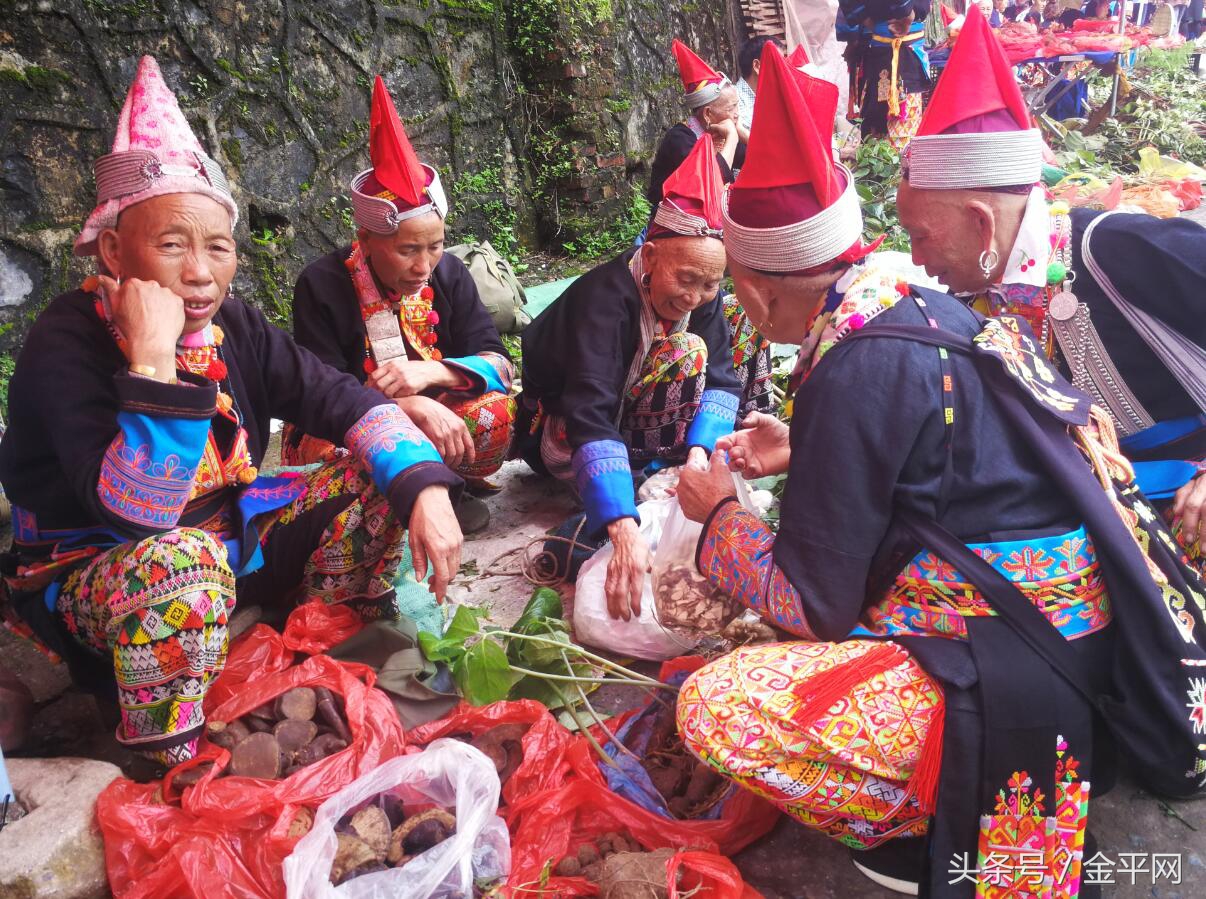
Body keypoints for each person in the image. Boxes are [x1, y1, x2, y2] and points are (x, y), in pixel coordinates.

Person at [669, 42, 1142, 897]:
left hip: (1007, 672)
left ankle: (922, 825)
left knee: (716, 705)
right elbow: (925, 460)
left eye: (733, 287)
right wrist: (803, 446)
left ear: (767, 291)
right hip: (1063, 643)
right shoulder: (905, 307)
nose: (920, 253)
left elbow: (815, 605)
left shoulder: (855, 366)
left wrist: (716, 520)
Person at [0, 58, 463, 767]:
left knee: (378, 472)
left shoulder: (235, 326)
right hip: (103, 572)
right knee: (181, 566)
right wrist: (153, 360)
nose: (200, 271)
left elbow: (342, 398)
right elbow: (137, 515)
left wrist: (425, 488)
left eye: (217, 247)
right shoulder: (66, 340)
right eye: (172, 244)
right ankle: (170, 756)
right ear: (114, 251)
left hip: (228, 542)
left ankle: (332, 652)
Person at [896, 6, 1206, 565]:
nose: (915, 258)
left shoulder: (1120, 250)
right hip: (1103, 525)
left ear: (982, 221)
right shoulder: (973, 301)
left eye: (920, 236)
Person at [518, 137, 745, 617]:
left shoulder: (699, 295)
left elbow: (723, 380)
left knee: (704, 343)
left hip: (629, 422)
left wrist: (699, 457)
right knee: (682, 354)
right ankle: (626, 485)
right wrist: (623, 527)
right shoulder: (603, 301)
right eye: (685, 279)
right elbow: (589, 412)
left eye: (711, 283)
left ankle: (649, 471)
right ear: (652, 252)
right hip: (559, 431)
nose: (696, 296)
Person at [286, 77, 515, 534]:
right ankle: (387, 509)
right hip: (347, 419)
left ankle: (452, 487)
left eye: (435, 245)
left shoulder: (448, 273)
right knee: (328, 454)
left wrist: (435, 373)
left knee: (496, 412)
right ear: (367, 240)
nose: (424, 264)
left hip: (432, 402)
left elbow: (499, 363)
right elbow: (320, 390)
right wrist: (403, 407)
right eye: (409, 249)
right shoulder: (322, 284)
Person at [647, 40, 740, 208]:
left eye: (737, 106)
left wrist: (738, 132)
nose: (737, 113)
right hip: (677, 225)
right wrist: (733, 138)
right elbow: (711, 181)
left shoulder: (719, 132)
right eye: (731, 108)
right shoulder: (680, 139)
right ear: (707, 113)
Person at [841, 0, 933, 149]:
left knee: (891, 131)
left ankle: (889, 165)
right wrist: (906, 12)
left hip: (896, 51)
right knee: (881, 127)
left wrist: (866, 19)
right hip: (887, 52)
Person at [735, 36, 784, 145]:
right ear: (757, 66)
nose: (783, 69)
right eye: (779, 63)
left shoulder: (771, 98)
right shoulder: (734, 102)